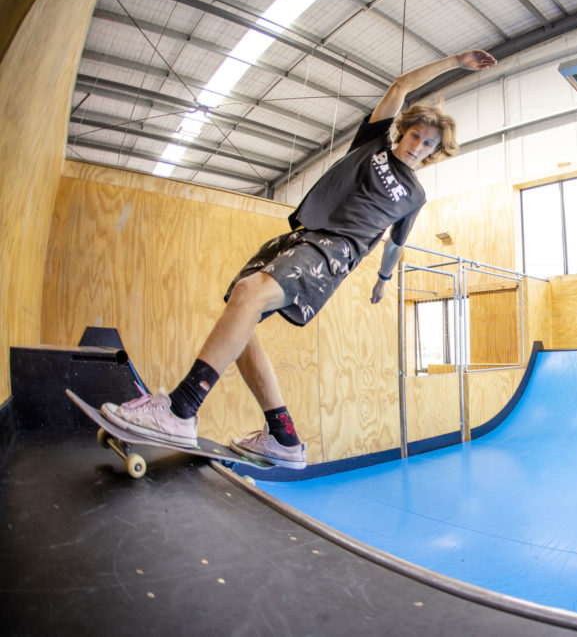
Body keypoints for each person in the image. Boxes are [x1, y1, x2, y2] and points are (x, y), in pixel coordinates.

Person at [101, 49, 498, 469]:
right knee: (241, 308)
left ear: (436, 152)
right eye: (417, 135)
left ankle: (180, 411)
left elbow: (396, 243)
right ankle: (284, 438)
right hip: (305, 235)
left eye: (430, 144)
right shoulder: (373, 142)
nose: (420, 147)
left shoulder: (415, 195)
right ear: (405, 131)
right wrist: (454, 62)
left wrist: (382, 279)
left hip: (334, 252)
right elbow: (399, 86)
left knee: (250, 295)